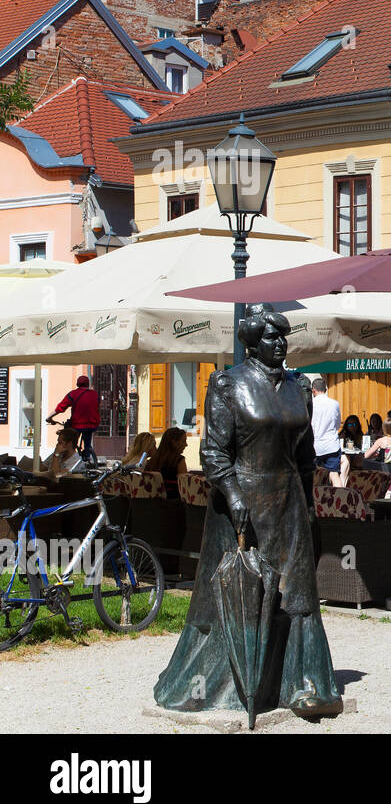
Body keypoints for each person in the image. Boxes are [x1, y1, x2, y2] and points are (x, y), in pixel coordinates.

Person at [153, 304, 343, 719]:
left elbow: (307, 455)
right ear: (254, 344)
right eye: (272, 338)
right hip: (242, 505)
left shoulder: (298, 388)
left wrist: (309, 502)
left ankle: (305, 684)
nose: (281, 344)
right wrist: (235, 496)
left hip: (290, 503)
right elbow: (214, 453)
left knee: (297, 593)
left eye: (283, 337)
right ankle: (228, 685)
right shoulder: (228, 384)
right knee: (239, 591)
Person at [47, 374, 100, 467]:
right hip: (92, 424)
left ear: (77, 384)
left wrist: (49, 417)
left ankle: (71, 460)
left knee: (71, 443)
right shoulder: (95, 394)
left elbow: (60, 408)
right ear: (88, 384)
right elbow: (97, 405)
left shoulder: (72, 394)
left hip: (77, 425)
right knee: (87, 443)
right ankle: (87, 455)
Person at [311, 379, 343, 488]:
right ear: (325, 389)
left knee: (315, 477)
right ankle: (342, 500)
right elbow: (338, 425)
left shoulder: (311, 404)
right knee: (334, 475)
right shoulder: (334, 404)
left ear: (313, 390)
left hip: (315, 446)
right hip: (331, 445)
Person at [145, 427, 189, 498]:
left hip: (152, 502)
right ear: (174, 442)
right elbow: (185, 486)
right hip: (174, 503)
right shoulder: (179, 460)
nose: (186, 444)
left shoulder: (152, 461)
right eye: (184, 441)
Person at [338, 415, 365, 486]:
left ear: (357, 425)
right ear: (346, 426)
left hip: (357, 456)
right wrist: (342, 438)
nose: (352, 426)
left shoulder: (360, 434)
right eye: (349, 424)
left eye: (354, 424)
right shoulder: (343, 434)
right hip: (346, 457)